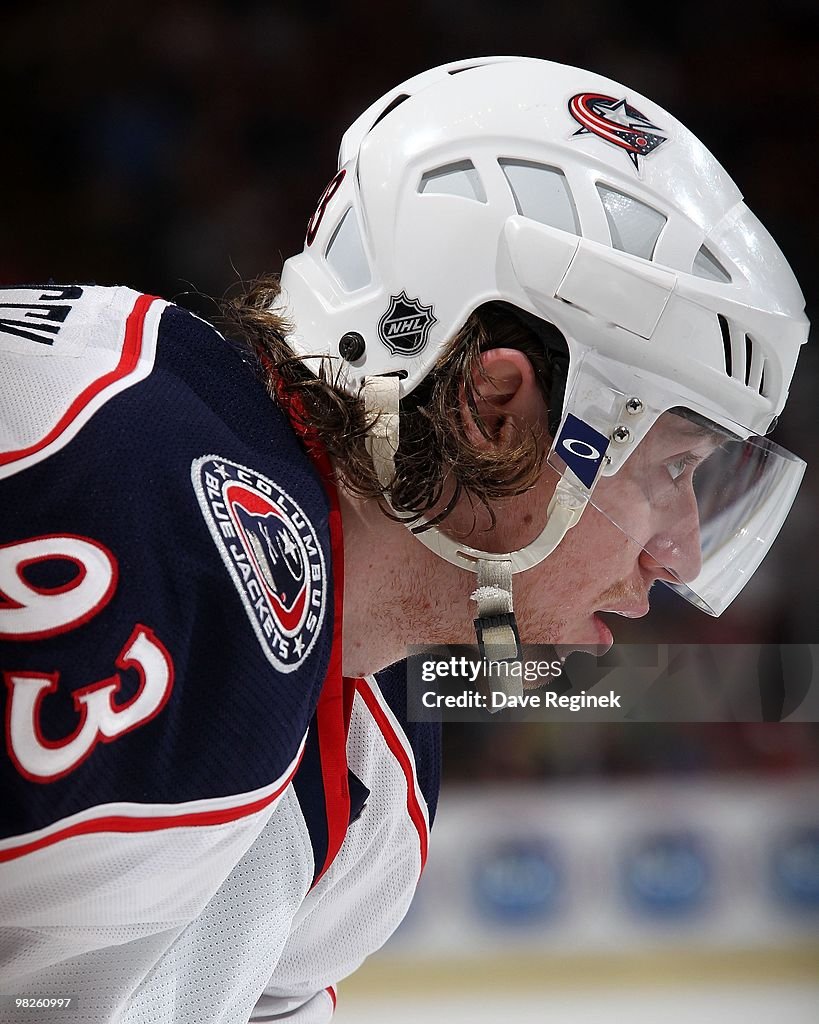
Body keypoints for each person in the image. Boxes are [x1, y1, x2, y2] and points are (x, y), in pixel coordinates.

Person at [0, 56, 808, 1023]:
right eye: (671, 469)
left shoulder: (378, 766)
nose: (676, 554)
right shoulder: (116, 499)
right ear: (493, 407)